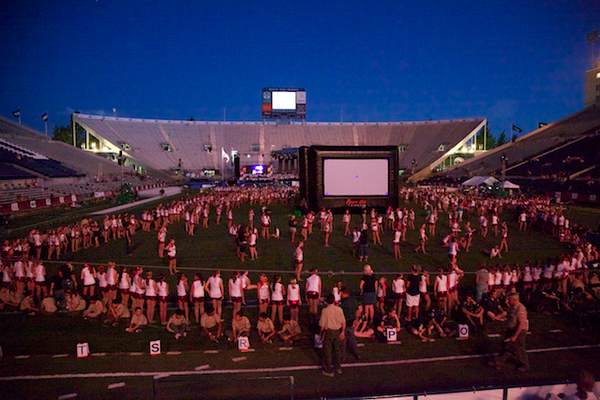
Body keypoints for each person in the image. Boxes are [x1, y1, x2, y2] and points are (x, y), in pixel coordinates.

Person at [489, 293, 529, 372]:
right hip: (511, 330)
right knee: (506, 346)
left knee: (519, 348)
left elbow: (521, 324)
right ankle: (498, 362)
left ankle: (524, 365)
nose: (508, 301)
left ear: (514, 300)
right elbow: (509, 315)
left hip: (518, 331)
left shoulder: (520, 309)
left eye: (510, 299)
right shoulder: (512, 307)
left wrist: (515, 335)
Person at [319, 294, 346, 377]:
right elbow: (343, 322)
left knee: (328, 352)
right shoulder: (339, 309)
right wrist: (342, 332)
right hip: (337, 331)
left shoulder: (325, 311)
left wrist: (320, 334)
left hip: (329, 332)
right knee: (337, 350)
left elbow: (322, 326)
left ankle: (328, 370)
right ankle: (338, 368)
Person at [340, 286, 361, 361]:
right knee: (352, 339)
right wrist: (356, 319)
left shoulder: (344, 302)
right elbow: (357, 311)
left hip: (344, 323)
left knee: (342, 341)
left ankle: (342, 356)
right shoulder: (354, 300)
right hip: (351, 321)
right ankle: (357, 353)